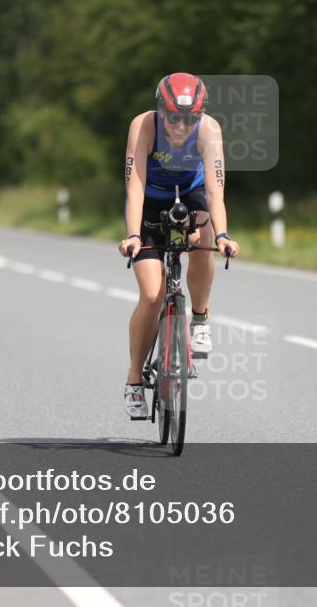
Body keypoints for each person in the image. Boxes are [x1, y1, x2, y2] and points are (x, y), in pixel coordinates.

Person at [117, 73, 240, 418]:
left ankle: (199, 318)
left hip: (191, 193)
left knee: (203, 239)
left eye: (190, 118)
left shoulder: (209, 130)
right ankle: (134, 380)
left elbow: (215, 192)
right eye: (174, 117)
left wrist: (223, 235)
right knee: (152, 295)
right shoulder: (143, 125)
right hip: (149, 200)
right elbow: (135, 187)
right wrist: (133, 235)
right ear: (161, 110)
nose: (182, 126)